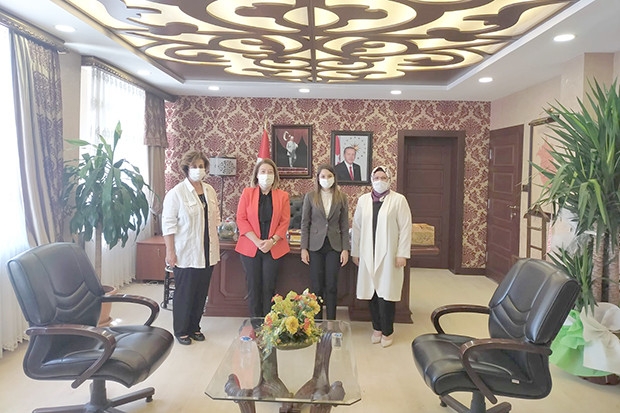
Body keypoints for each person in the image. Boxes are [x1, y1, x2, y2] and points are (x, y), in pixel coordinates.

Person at [162, 150, 221, 345]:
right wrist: (170, 251)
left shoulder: (210, 190)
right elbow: (168, 225)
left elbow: (215, 218)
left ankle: (195, 327)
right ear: (186, 168)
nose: (198, 170)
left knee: (200, 293)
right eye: (194, 166)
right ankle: (181, 330)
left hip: (207, 252)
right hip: (186, 252)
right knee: (185, 293)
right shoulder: (176, 193)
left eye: (201, 166)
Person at [351, 166, 411, 348]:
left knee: (386, 294)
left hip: (389, 255)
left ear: (389, 179)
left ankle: (387, 331)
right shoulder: (363, 200)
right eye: (376, 177)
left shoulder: (398, 200)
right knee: (372, 293)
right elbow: (357, 227)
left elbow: (405, 228)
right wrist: (355, 252)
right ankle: (376, 328)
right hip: (368, 253)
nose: (379, 181)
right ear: (371, 179)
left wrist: (402, 253)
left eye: (383, 177)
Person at [236, 159, 291, 319]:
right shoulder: (247, 193)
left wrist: (271, 241)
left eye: (270, 172)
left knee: (269, 286)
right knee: (253, 286)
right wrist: (257, 241)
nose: (267, 175)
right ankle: (255, 321)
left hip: (273, 247)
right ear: (257, 175)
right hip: (251, 246)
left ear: (275, 176)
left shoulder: (283, 196)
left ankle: (269, 321)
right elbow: (241, 219)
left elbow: (284, 222)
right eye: (263, 172)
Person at [300, 165, 350, 320]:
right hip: (315, 246)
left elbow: (344, 225)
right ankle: (317, 321)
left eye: (329, 176)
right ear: (318, 178)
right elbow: (305, 223)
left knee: (331, 285)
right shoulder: (310, 197)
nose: (326, 179)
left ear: (334, 178)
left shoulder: (342, 197)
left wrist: (345, 249)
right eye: (323, 176)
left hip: (334, 246)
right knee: (316, 286)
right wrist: (303, 248)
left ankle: (331, 321)